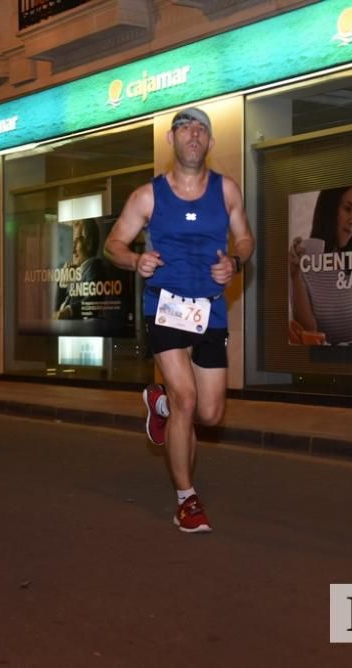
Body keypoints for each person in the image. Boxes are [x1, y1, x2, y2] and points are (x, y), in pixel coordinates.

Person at [104, 107, 254, 533]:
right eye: (185, 128)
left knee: (209, 413)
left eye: (201, 129)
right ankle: (186, 499)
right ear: (171, 139)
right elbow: (113, 243)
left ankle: (161, 403)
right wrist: (135, 259)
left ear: (209, 141)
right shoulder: (148, 195)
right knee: (188, 398)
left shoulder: (226, 190)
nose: (194, 134)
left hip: (210, 306)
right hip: (165, 305)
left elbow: (244, 235)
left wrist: (236, 261)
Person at [288, 185, 352, 344]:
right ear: (328, 210)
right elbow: (308, 331)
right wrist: (295, 275)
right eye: (347, 209)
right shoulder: (302, 258)